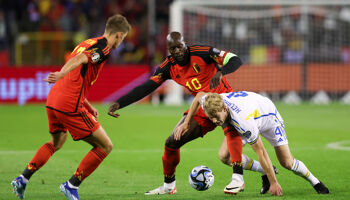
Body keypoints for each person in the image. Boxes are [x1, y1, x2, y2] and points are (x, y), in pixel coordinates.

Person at [108, 31, 268, 195]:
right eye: (172, 48)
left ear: (185, 44)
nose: (177, 51)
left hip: (225, 101)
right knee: (172, 142)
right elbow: (147, 87)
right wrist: (120, 103)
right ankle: (169, 186)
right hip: (201, 106)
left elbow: (235, 59)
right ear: (168, 50)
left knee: (228, 137)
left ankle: (238, 179)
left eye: (180, 46)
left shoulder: (202, 52)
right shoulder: (168, 67)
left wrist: (221, 73)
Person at [11, 14, 131, 200]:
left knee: (56, 142)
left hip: (53, 101)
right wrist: (61, 73)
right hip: (68, 104)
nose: (120, 42)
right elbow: (80, 60)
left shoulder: (88, 41)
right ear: (118, 35)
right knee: (105, 146)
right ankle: (71, 185)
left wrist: (87, 105)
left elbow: (76, 75)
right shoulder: (104, 48)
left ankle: (23, 178)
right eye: (122, 39)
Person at [175, 91, 330, 195]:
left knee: (287, 162)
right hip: (251, 111)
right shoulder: (209, 103)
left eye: (216, 116)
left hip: (268, 117)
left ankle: (315, 182)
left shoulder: (242, 121)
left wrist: (274, 183)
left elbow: (261, 151)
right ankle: (263, 170)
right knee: (224, 156)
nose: (214, 121)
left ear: (224, 108)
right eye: (211, 118)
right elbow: (199, 96)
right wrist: (187, 122)